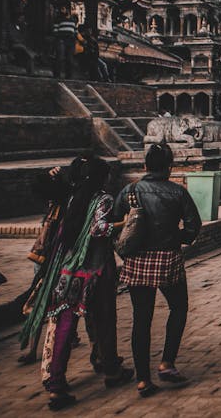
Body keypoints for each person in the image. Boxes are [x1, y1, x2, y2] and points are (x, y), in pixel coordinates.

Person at [19, 155, 132, 410]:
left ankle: (57, 385)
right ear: (101, 178)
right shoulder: (103, 199)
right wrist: (126, 222)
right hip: (95, 272)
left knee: (64, 328)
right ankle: (111, 370)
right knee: (104, 323)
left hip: (67, 273)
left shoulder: (69, 199)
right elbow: (98, 229)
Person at [111, 143, 200, 397]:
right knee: (178, 307)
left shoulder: (131, 191)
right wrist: (177, 237)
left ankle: (142, 379)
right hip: (167, 258)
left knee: (142, 317)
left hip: (138, 261)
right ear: (169, 167)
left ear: (145, 165)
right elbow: (194, 226)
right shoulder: (177, 192)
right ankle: (167, 363)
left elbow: (117, 225)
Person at [51, 6, 77, 80]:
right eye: (61, 9)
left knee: (70, 59)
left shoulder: (73, 20)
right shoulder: (58, 20)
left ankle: (69, 76)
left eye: (63, 9)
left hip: (70, 41)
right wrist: (58, 39)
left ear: (67, 10)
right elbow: (55, 31)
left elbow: (75, 31)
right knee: (60, 57)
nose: (61, 10)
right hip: (61, 40)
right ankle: (57, 75)